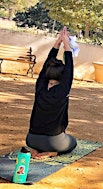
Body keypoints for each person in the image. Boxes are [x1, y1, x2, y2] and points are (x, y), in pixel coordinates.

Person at [26, 27, 77, 159]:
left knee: (41, 137)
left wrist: (58, 43)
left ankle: (34, 150)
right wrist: (66, 43)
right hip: (53, 142)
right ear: (62, 76)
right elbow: (69, 68)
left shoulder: (40, 87)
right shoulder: (62, 90)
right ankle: (52, 153)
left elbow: (46, 66)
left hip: (31, 139)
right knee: (72, 142)